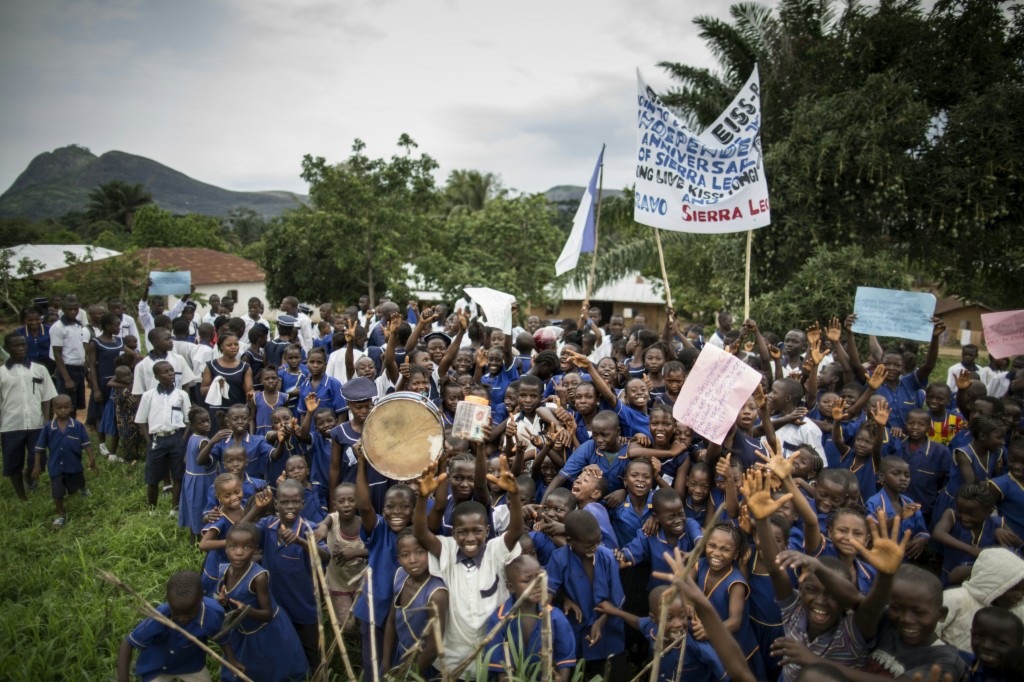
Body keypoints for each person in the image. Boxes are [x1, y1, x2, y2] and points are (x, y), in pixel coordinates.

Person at [413, 454, 524, 675]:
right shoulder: (446, 549)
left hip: (493, 656)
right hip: (454, 657)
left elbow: (516, 531)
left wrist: (514, 495)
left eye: (477, 531)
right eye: (462, 532)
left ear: (487, 531)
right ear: (453, 533)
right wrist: (422, 499)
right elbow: (421, 533)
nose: (470, 538)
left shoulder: (495, 550)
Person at [246, 479, 329, 672]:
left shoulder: (311, 528)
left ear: (303, 503)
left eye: (295, 502)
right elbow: (239, 533)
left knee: (313, 657)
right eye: (284, 502)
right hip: (275, 606)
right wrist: (256, 509)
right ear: (276, 504)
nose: (290, 506)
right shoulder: (267, 525)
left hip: (304, 606)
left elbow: (326, 555)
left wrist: (301, 541)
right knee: (279, 652)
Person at [213, 521, 309, 682]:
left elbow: (267, 614)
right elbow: (230, 602)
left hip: (266, 631)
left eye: (246, 547)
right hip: (242, 631)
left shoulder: (258, 578)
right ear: (226, 548)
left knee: (273, 670)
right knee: (243, 669)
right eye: (233, 547)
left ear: (255, 549)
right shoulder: (224, 570)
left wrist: (246, 610)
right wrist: (223, 602)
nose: (239, 552)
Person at [546, 509, 627, 677]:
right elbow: (549, 593)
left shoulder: (607, 557)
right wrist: (564, 599)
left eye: (598, 542)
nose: (595, 548)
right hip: (575, 631)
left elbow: (616, 598)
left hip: (608, 630)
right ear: (570, 541)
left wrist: (600, 623)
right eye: (588, 545)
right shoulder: (559, 558)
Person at [116, 570, 227, 682]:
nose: (183, 618)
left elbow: (221, 635)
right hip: (158, 666)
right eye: (177, 613)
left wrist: (231, 659)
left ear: (201, 598)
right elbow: (128, 643)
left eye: (190, 613)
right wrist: (123, 678)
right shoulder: (159, 617)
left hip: (191, 664)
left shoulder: (213, 612)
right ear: (168, 600)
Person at [483, 554, 577, 681]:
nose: (537, 584)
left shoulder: (555, 617)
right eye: (527, 581)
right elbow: (501, 669)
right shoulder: (500, 619)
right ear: (510, 587)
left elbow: (565, 660)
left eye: (539, 578)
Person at [381, 529, 449, 678]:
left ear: (429, 553)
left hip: (424, 665)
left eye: (419, 552)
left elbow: (433, 647)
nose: (413, 560)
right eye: (405, 555)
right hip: (400, 654)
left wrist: (408, 675)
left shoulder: (436, 593)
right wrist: (385, 662)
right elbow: (392, 621)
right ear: (398, 558)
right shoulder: (400, 575)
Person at [0, 332, 57, 501]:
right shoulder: (2, 373)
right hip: (10, 425)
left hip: (36, 424)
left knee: (39, 460)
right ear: (6, 348)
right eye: (15, 345)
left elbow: (47, 398)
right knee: (13, 462)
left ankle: (29, 476)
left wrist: (46, 421)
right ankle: (22, 497)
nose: (20, 348)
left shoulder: (39, 369)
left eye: (23, 345)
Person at [134, 360, 191, 511]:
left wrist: (183, 439)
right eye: (166, 372)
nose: (171, 373)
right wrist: (148, 441)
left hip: (176, 437)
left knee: (178, 474)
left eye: (172, 370)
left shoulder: (182, 395)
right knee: (152, 478)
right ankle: (152, 509)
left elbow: (189, 419)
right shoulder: (148, 396)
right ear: (157, 376)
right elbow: (141, 421)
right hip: (157, 439)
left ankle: (175, 508)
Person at [32, 393, 94, 527]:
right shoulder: (49, 428)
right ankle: (61, 514)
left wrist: (92, 459)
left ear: (71, 408)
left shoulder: (77, 426)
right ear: (54, 410)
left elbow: (86, 444)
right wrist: (36, 465)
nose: (63, 411)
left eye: (66, 407)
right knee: (57, 490)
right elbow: (39, 448)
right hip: (55, 466)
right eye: (59, 408)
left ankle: (82, 488)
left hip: (74, 464)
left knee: (78, 481)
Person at [314, 482, 367, 635]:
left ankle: (362, 642)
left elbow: (375, 550)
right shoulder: (333, 520)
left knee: (362, 622)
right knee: (347, 628)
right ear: (335, 504)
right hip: (338, 583)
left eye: (351, 500)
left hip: (360, 582)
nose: (346, 505)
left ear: (358, 501)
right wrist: (323, 527)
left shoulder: (363, 523)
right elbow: (325, 523)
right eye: (341, 501)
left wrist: (356, 552)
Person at [86, 312, 124, 459]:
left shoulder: (119, 341)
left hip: (117, 382)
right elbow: (93, 367)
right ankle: (102, 444)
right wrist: (95, 388)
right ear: (107, 326)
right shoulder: (95, 343)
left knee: (117, 412)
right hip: (102, 382)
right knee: (100, 413)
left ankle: (116, 441)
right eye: (116, 325)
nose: (118, 328)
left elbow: (130, 354)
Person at [200, 333, 252, 428]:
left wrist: (252, 402)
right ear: (221, 347)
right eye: (229, 345)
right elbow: (202, 391)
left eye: (236, 344)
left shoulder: (245, 367)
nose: (233, 347)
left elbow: (249, 392)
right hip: (217, 412)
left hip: (237, 413)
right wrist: (215, 386)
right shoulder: (211, 366)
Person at [179, 407, 215, 541]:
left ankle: (192, 540)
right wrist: (213, 442)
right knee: (203, 509)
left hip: (190, 478)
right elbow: (205, 461)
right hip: (203, 481)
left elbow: (185, 459)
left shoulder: (192, 437)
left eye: (208, 420)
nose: (206, 424)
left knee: (193, 510)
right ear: (193, 425)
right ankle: (201, 542)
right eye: (201, 422)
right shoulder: (205, 441)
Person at [49, 294, 91, 411]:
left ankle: (73, 428)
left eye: (75, 309)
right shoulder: (58, 327)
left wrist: (87, 371)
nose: (73, 312)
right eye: (69, 309)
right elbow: (57, 354)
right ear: (63, 309)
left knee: (76, 405)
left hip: (79, 369)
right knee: (66, 405)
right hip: (67, 369)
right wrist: (67, 378)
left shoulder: (79, 326)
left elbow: (82, 350)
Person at [961, 606, 1024, 681]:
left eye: (1000, 642)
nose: (986, 646)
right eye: (979, 636)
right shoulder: (961, 663)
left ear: (1018, 647)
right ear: (971, 634)